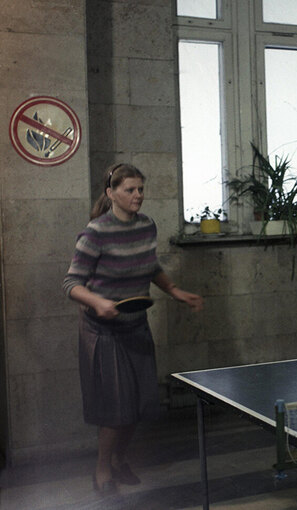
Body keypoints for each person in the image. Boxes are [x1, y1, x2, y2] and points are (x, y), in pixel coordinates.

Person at [63, 163, 204, 495]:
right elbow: (71, 283)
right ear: (111, 193)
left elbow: (149, 265)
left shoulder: (146, 226)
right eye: (130, 190)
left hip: (135, 325)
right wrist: (97, 301)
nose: (138, 195)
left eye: (140, 189)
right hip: (103, 330)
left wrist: (174, 290)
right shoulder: (95, 233)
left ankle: (118, 460)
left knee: (139, 403)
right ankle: (102, 469)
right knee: (116, 409)